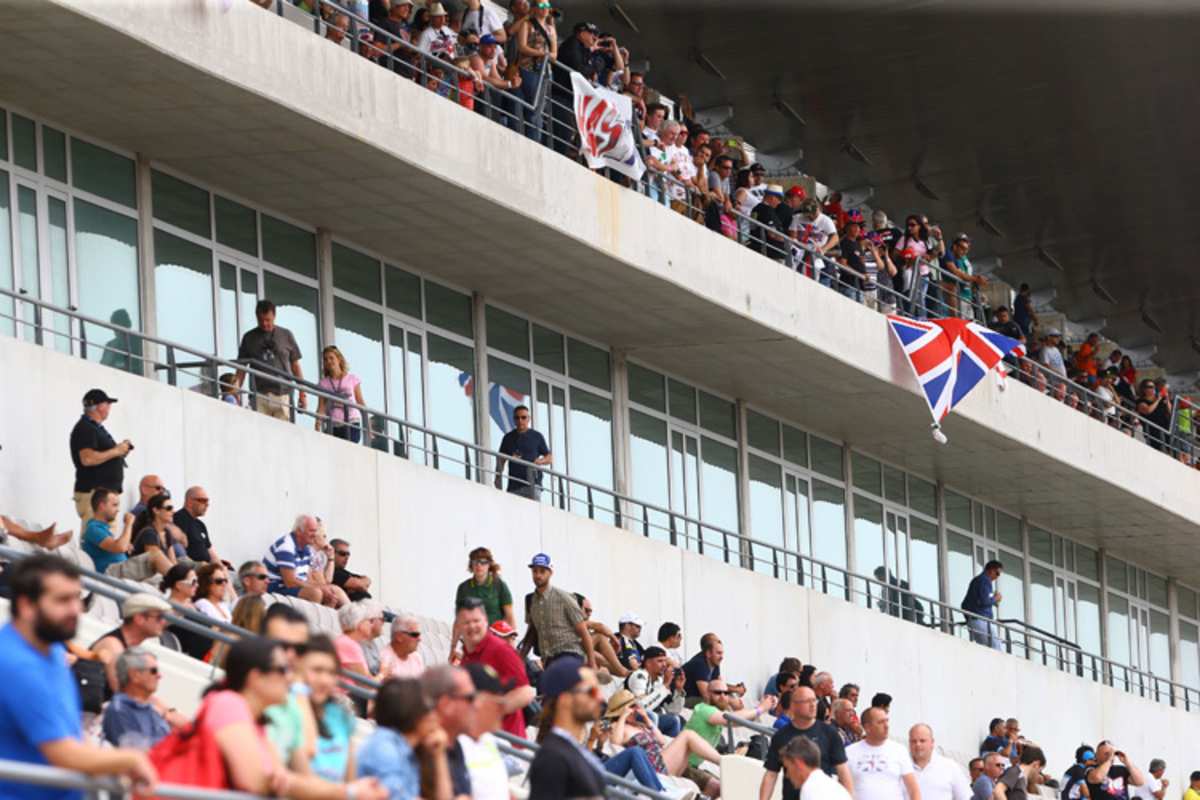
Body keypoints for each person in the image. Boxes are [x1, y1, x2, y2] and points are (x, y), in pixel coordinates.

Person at [0, 554, 157, 798]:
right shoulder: (15, 664)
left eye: (76, 598)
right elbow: (63, 753)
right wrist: (130, 759)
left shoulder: (52, 648)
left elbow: (71, 728)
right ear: (26, 606)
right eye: (63, 600)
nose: (76, 609)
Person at [195, 637, 385, 799]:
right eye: (282, 670)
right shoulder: (230, 704)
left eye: (331, 672)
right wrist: (348, 792)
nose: (289, 678)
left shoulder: (262, 720)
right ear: (256, 676)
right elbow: (259, 780)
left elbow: (292, 776)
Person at [604, 688, 725, 792]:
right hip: (652, 767)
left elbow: (661, 741)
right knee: (687, 735)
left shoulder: (639, 724)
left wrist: (647, 719)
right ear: (622, 711)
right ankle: (723, 761)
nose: (635, 710)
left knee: (688, 741)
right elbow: (615, 742)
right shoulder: (617, 726)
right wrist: (623, 716)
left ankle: (723, 762)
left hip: (661, 762)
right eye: (632, 706)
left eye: (635, 705)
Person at [357, 677, 452, 799]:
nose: (435, 714)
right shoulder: (384, 747)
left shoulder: (408, 751)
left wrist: (439, 756)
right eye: (429, 707)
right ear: (412, 711)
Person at [528, 656, 607, 800]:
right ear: (565, 699)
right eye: (592, 692)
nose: (601, 699)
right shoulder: (553, 757)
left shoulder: (570, 750)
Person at [679, 678, 775, 796]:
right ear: (708, 694)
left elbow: (741, 720)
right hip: (683, 765)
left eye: (726, 693)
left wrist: (764, 706)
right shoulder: (704, 709)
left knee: (729, 787)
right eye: (718, 693)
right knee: (723, 789)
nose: (722, 696)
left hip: (692, 766)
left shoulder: (718, 714)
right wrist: (761, 708)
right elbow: (731, 719)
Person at [458, 597, 531, 739]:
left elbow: (525, 692)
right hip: (481, 740)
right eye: (466, 622)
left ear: (485, 622)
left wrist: (493, 711)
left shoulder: (501, 649)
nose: (472, 626)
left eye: (476, 621)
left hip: (507, 742)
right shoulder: (466, 655)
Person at [761, 686, 852, 800]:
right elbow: (771, 774)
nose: (813, 705)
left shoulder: (829, 733)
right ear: (793, 705)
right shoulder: (781, 736)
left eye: (814, 700)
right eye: (807, 701)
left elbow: (843, 770)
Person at [297, 635, 359, 783]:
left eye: (331, 673)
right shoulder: (286, 710)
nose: (325, 680)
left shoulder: (341, 715)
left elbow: (350, 780)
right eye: (317, 670)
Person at [234, 298, 306, 421]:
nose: (264, 323)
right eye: (260, 320)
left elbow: (295, 365)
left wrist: (302, 393)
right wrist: (235, 391)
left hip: (283, 394)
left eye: (268, 320)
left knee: (283, 430)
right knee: (259, 429)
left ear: (274, 316)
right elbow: (241, 369)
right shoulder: (249, 338)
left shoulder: (286, 335)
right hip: (259, 394)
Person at [70, 388, 131, 529]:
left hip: (102, 495)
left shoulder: (93, 427)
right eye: (107, 403)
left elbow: (101, 455)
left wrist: (120, 452)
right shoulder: (86, 428)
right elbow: (87, 459)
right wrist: (116, 451)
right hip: (95, 495)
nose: (110, 407)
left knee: (104, 536)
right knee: (98, 537)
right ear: (99, 406)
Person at [521, 552, 595, 667]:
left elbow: (583, 632)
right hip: (548, 659)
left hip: (570, 654)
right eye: (535, 571)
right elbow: (532, 632)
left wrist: (592, 663)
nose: (538, 575)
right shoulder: (531, 600)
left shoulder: (564, 597)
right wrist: (519, 658)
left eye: (542, 571)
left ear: (550, 573)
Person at [91, 592, 173, 695]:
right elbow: (124, 692)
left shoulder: (131, 649)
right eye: (159, 617)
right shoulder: (113, 645)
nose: (164, 622)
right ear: (139, 619)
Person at [460, 662, 519, 800]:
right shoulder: (452, 744)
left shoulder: (488, 739)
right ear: (476, 703)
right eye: (498, 703)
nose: (503, 709)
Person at [101, 648, 179, 749]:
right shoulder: (119, 711)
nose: (159, 676)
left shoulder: (150, 710)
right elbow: (135, 751)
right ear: (135, 675)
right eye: (153, 671)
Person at [422, 666, 477, 797]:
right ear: (446, 704)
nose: (476, 706)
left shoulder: (455, 745)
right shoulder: (420, 747)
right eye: (470, 698)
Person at [844, 708, 920, 800]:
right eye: (880, 722)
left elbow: (913, 790)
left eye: (887, 721)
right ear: (867, 727)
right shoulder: (849, 752)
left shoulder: (899, 750)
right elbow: (842, 789)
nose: (886, 726)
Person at [494, 405, 552, 499]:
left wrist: (539, 461)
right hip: (514, 486)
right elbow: (501, 459)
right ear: (514, 419)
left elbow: (549, 457)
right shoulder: (508, 438)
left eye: (523, 417)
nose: (520, 420)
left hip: (533, 484)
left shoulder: (536, 436)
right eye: (517, 418)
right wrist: (497, 477)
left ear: (529, 419)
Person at [264, 514, 324, 604]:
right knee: (315, 593)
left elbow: (307, 578)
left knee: (333, 591)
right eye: (311, 531)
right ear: (299, 531)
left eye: (316, 531)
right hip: (276, 588)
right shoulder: (286, 547)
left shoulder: (307, 548)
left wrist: (324, 588)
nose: (315, 535)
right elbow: (290, 582)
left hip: (291, 587)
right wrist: (318, 588)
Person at [315, 345, 366, 443]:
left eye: (331, 358)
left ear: (339, 359)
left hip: (351, 422)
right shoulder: (323, 383)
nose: (328, 361)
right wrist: (317, 423)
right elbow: (321, 407)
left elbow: (360, 402)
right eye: (325, 359)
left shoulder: (352, 379)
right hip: (333, 425)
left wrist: (367, 424)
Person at [162, 563, 212, 661]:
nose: (197, 585)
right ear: (178, 585)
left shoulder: (191, 605)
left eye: (197, 581)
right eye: (193, 581)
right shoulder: (167, 608)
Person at [455, 546, 515, 626]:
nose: (479, 565)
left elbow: (510, 617)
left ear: (489, 564)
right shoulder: (463, 588)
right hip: (472, 632)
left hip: (495, 632)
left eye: (483, 562)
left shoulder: (499, 585)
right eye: (475, 562)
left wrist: (511, 633)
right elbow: (459, 618)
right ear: (471, 565)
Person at [80, 488, 134, 576]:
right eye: (114, 505)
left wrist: (125, 544)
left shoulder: (101, 528)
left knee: (153, 561)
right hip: (113, 574)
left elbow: (118, 547)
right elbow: (120, 547)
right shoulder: (94, 529)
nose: (118, 509)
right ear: (102, 506)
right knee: (153, 557)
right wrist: (129, 524)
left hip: (122, 571)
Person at [910, 724, 970, 800]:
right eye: (913, 741)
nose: (918, 744)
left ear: (932, 742)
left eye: (922, 741)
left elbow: (965, 797)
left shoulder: (950, 767)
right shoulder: (902, 767)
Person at [130, 492, 180, 577]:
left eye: (173, 508)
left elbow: (173, 561)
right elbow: (154, 563)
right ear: (156, 510)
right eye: (169, 508)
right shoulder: (149, 533)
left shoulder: (166, 532)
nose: (173, 511)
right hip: (142, 578)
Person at [335, 601, 386, 682]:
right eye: (370, 621)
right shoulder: (348, 644)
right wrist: (383, 674)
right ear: (359, 623)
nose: (371, 625)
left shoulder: (348, 642)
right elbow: (366, 684)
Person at [962, 560, 1004, 650]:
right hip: (980, 620)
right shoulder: (984, 580)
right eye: (997, 573)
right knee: (996, 648)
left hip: (974, 620)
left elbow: (978, 600)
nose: (997, 577)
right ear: (991, 570)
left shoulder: (979, 580)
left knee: (986, 649)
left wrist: (993, 600)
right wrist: (996, 598)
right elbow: (984, 601)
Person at [173, 486, 220, 563]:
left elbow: (211, 553)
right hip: (192, 567)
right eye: (203, 500)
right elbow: (178, 552)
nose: (207, 504)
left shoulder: (200, 524)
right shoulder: (179, 519)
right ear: (190, 502)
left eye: (207, 501)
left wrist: (221, 567)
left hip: (207, 567)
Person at [682, 633, 725, 706]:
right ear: (708, 653)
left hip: (698, 697)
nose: (722, 657)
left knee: (731, 697)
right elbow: (706, 695)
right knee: (717, 701)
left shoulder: (714, 661)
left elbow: (720, 687)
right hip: (686, 699)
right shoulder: (699, 663)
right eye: (719, 653)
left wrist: (735, 690)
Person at [380, 614, 427, 679]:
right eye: (415, 634)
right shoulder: (385, 659)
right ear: (399, 636)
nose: (419, 639)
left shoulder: (416, 657)